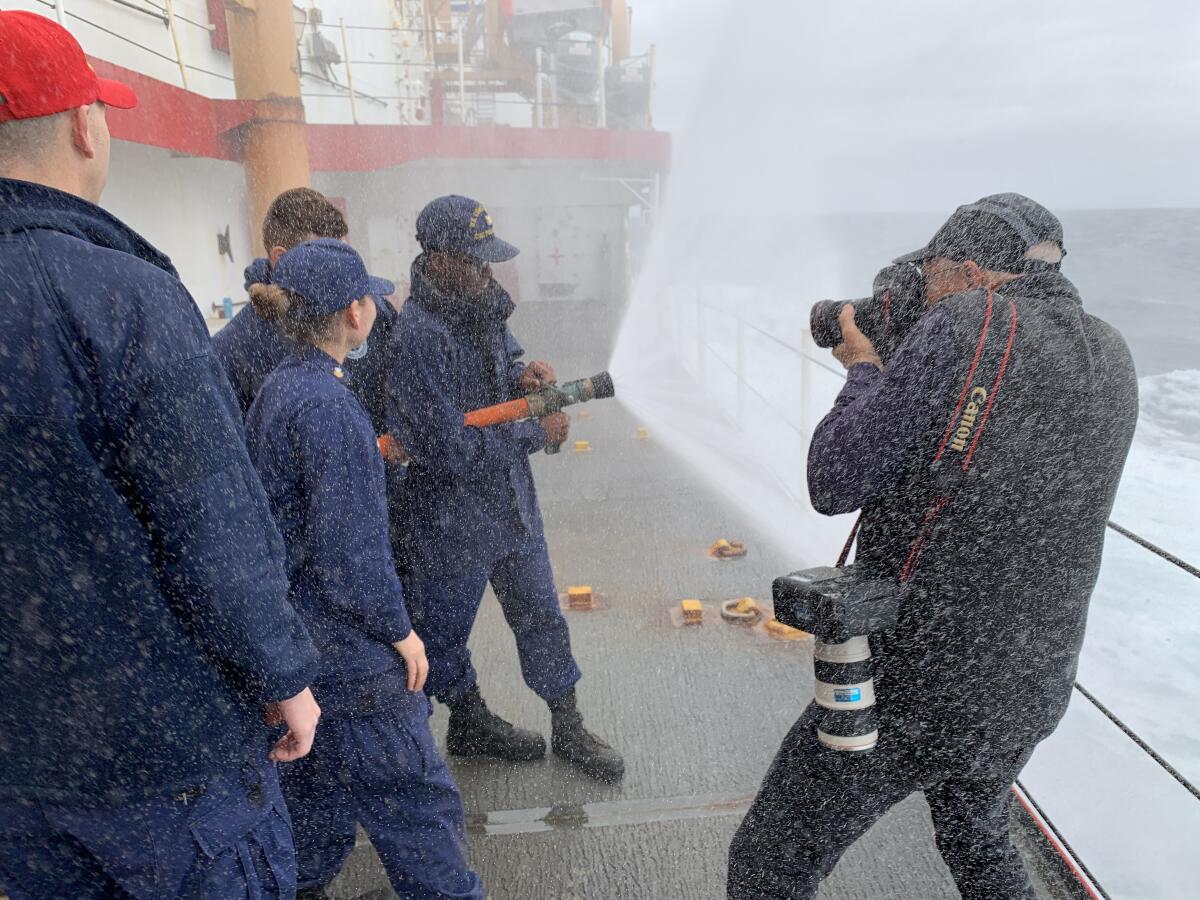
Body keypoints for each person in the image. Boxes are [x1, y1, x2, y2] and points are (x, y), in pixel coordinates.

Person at [727, 193, 1138, 899]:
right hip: (1030, 684)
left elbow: (835, 477)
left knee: (768, 864)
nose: (921, 292)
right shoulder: (1110, 350)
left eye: (931, 276)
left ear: (966, 271)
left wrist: (863, 367)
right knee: (978, 841)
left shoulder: (962, 324)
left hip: (920, 682)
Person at [0, 11, 322, 898]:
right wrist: (283, 672)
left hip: (22, 769)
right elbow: (212, 519)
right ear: (82, 125)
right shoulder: (122, 293)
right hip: (166, 758)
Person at [245, 239, 483, 899]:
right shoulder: (329, 406)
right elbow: (350, 557)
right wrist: (401, 632)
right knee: (420, 819)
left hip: (303, 656)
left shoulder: (277, 391)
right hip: (354, 665)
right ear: (355, 312)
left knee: (312, 831)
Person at [388, 195, 624, 781]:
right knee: (440, 634)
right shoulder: (417, 340)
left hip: (512, 509)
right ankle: (464, 718)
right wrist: (531, 432)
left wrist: (527, 376)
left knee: (542, 615)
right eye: (475, 260)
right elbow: (445, 450)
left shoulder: (483, 304)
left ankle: (567, 722)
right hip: (451, 522)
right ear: (438, 260)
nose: (487, 270)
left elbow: (506, 361)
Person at [213, 187, 399, 436]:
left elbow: (404, 391)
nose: (340, 265)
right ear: (280, 256)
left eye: (343, 251)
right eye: (325, 252)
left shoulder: (371, 308)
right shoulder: (234, 349)